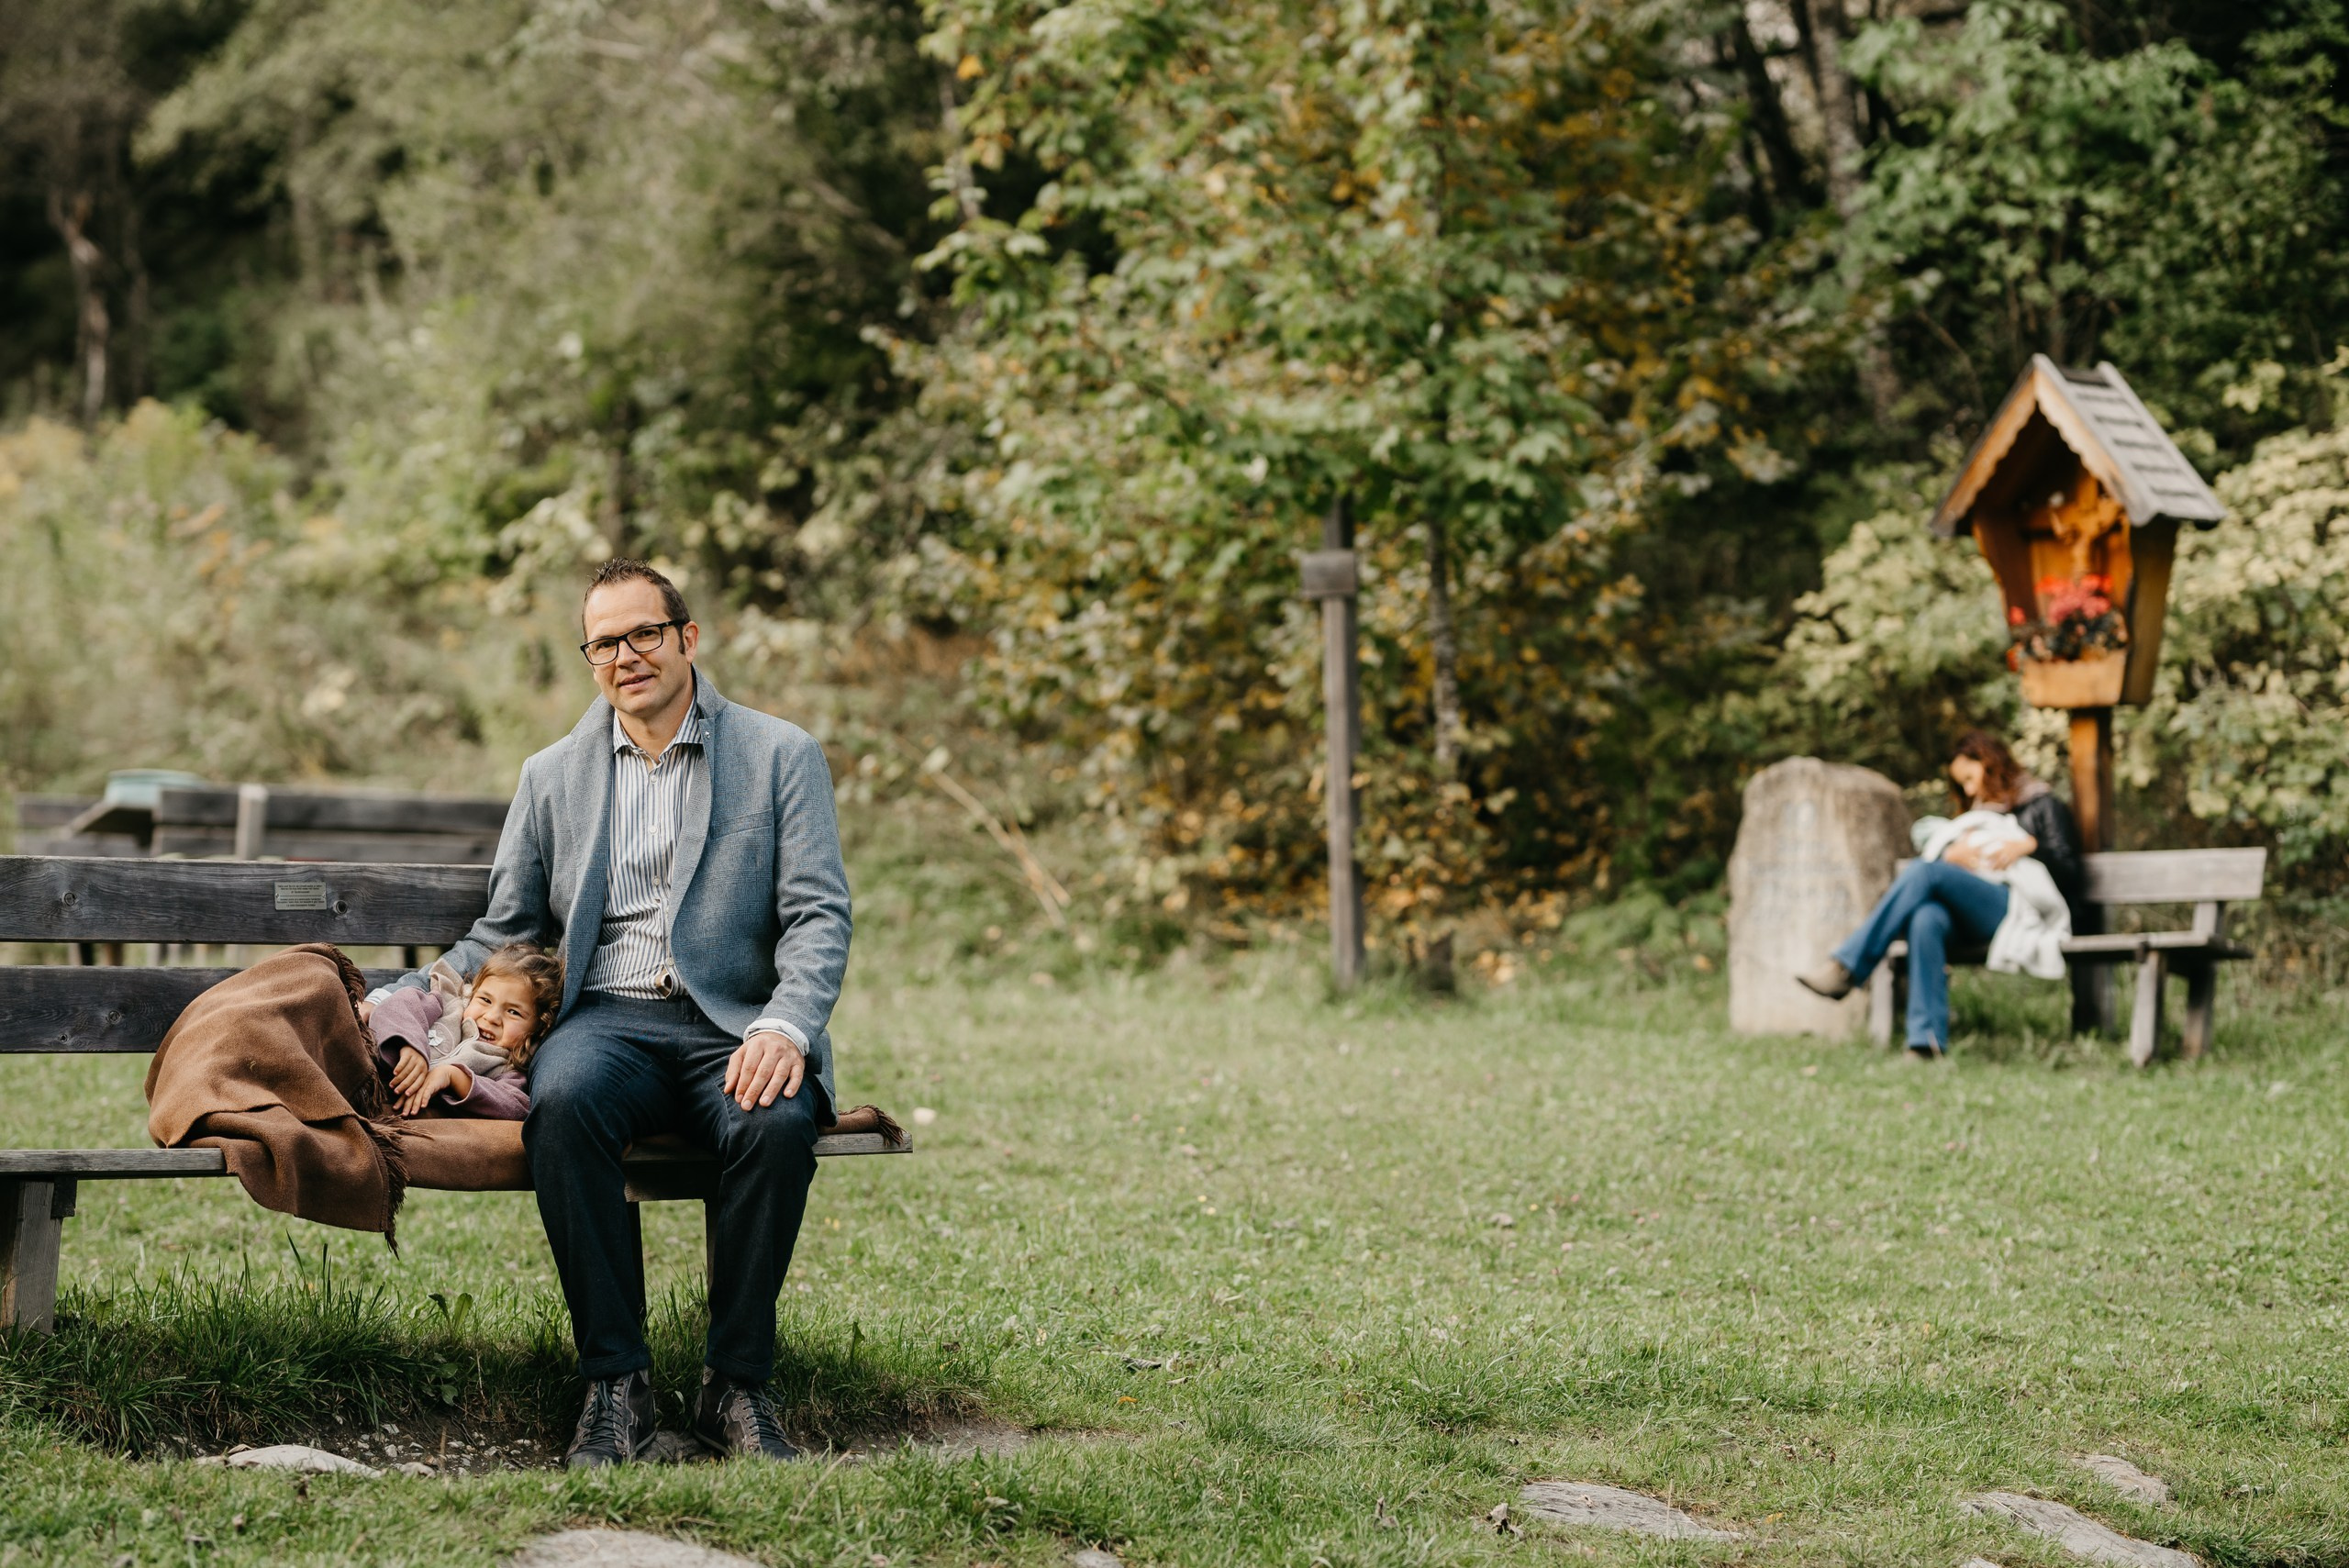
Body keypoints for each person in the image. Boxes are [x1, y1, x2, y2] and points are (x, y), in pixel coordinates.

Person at [361, 558, 852, 1467]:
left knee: (777, 1123)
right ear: (589, 658)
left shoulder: (781, 754)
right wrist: (403, 1002)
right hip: (602, 1019)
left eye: (643, 634)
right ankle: (615, 1382)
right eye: (604, 642)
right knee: (567, 1102)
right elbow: (505, 925)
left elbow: (819, 912)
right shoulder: (552, 775)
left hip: (730, 1023)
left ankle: (735, 1386)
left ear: (686, 638)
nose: (626, 655)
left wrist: (784, 1024)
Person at [1795, 731, 2091, 1058]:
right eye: (1961, 784)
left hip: (2017, 908)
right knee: (1926, 918)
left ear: (1989, 762)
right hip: (1974, 911)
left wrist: (2030, 846)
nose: (1969, 790)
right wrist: (1953, 856)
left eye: (1969, 777)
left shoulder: (2041, 803)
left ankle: (1847, 968)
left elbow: (2070, 873)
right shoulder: (1976, 816)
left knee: (1925, 871)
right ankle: (1925, 1043)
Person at [367, 943, 561, 1119]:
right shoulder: (447, 1006)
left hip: (401, 1116)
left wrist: (455, 1077)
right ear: (472, 993)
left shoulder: (506, 1067)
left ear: (537, 1028)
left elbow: (516, 1107)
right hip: (371, 1079)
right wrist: (410, 1045)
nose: (492, 1017)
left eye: (513, 1012)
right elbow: (397, 1005)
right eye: (485, 1000)